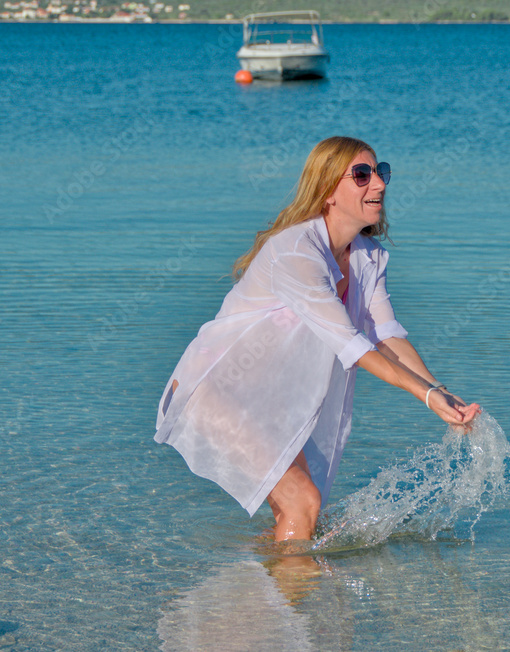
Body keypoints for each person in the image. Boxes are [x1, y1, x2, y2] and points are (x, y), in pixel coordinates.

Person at [155, 136, 480, 542]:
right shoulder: (297, 253)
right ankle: (288, 581)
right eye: (361, 175)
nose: (379, 183)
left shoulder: (368, 255)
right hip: (216, 390)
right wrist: (426, 397)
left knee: (303, 513)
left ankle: (270, 579)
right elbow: (352, 344)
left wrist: (438, 390)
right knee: (302, 503)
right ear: (327, 190)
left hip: (264, 399)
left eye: (381, 172)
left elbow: (385, 335)